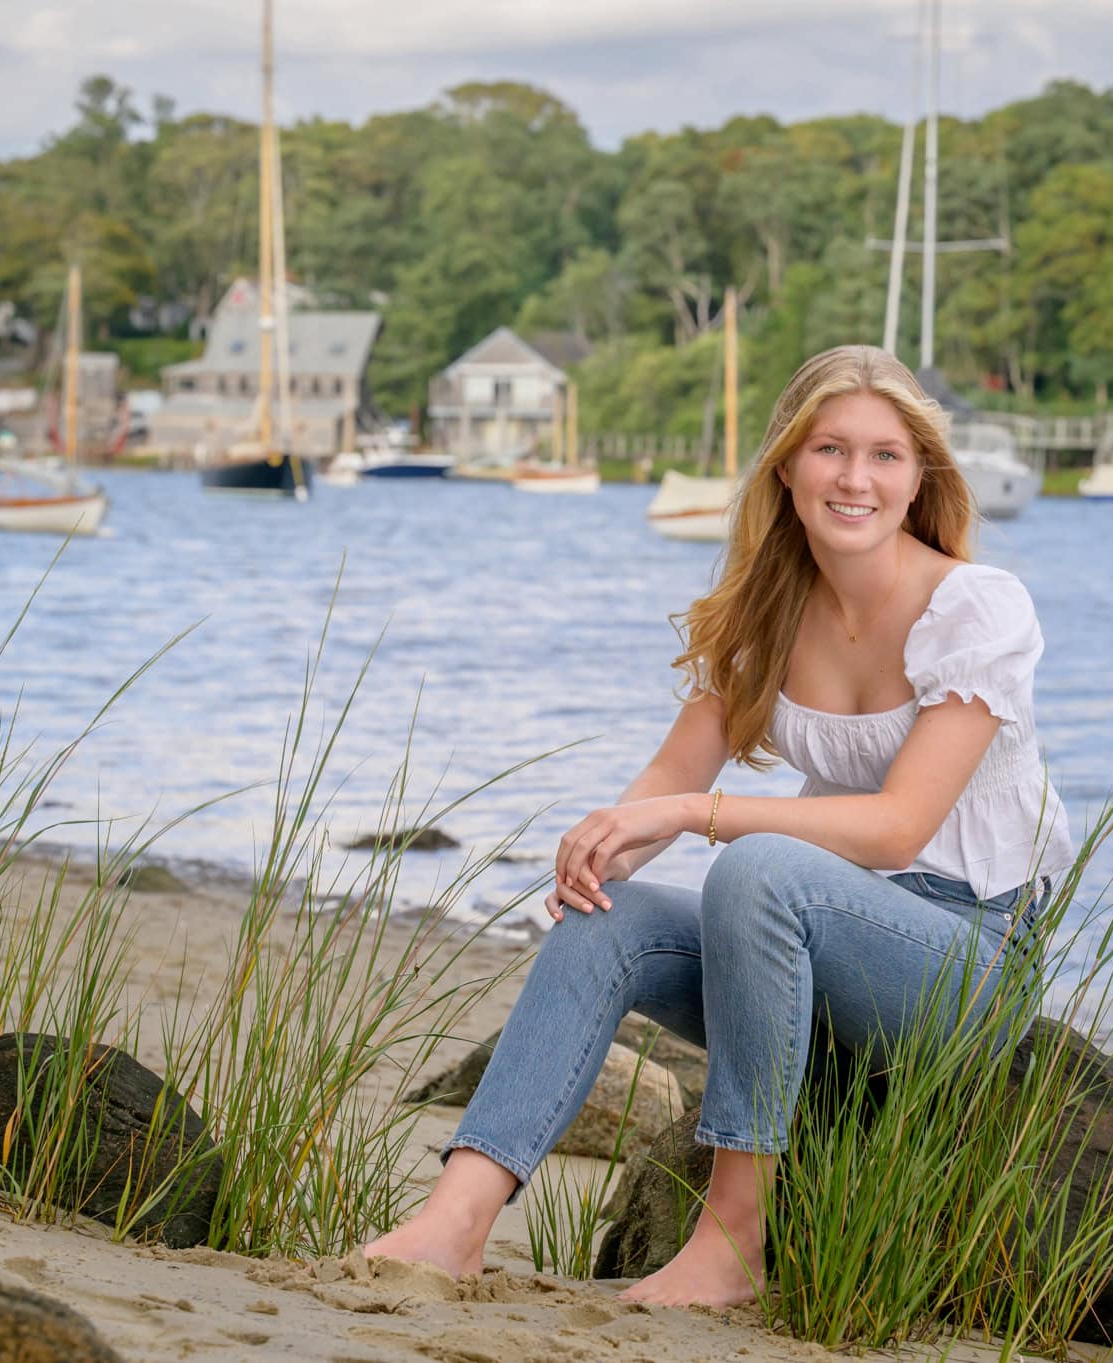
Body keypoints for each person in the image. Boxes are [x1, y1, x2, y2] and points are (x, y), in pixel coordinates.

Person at [363, 344, 1074, 1306]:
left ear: (920, 479)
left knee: (760, 864)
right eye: (829, 449)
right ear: (786, 464)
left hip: (967, 964)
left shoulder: (975, 607)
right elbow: (673, 773)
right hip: (805, 954)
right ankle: (456, 1220)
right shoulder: (767, 613)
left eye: (885, 456)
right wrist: (613, 832)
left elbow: (901, 829)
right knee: (605, 921)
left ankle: (732, 1239)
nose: (855, 478)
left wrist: (696, 816)